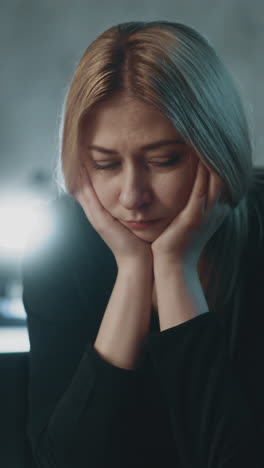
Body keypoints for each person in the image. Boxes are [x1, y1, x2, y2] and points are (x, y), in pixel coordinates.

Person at [22, 20, 264, 467]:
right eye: (106, 164)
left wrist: (175, 268)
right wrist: (134, 273)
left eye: (163, 160)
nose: (133, 196)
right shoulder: (62, 245)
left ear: (217, 147)